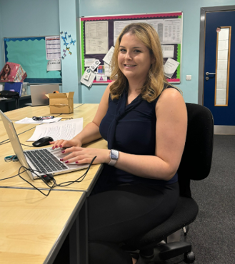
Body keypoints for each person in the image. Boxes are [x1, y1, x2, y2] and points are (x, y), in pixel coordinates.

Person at [51, 23, 187, 264]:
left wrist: (109, 156)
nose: (127, 57)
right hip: (111, 180)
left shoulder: (168, 98)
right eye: (123, 50)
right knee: (61, 225)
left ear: (153, 56)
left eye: (137, 50)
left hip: (150, 190)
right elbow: (98, 124)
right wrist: (77, 140)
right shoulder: (114, 89)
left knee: (74, 238)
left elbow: (167, 167)